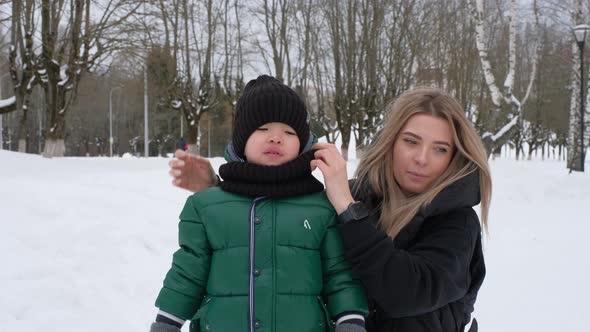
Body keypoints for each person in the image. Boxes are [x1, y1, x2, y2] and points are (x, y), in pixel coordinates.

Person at [168, 86, 491, 332]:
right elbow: (284, 235)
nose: (421, 158)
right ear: (390, 142)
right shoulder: (355, 196)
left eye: (440, 148)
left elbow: (405, 293)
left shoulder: (456, 220)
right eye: (410, 141)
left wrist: (347, 209)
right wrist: (219, 191)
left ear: (454, 156)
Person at [152, 75, 368, 332]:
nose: (276, 138)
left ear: (303, 144)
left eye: (289, 132)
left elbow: (338, 273)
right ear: (242, 139)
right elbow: (188, 271)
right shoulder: (205, 206)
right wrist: (167, 322)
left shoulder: (321, 207)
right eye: (262, 129)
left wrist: (350, 319)